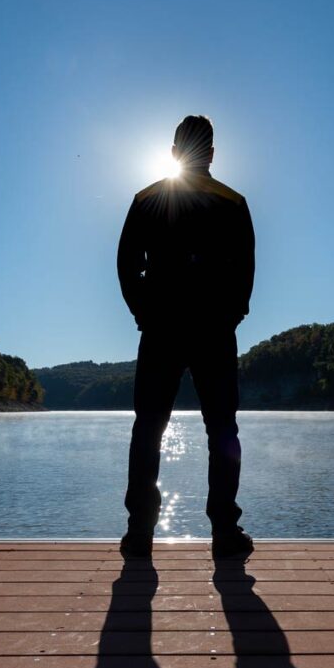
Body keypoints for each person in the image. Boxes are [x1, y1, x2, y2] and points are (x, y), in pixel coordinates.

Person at [117, 115, 256, 559]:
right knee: (222, 429)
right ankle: (225, 533)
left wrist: (144, 310)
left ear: (174, 151)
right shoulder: (233, 202)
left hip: (162, 328)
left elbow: (126, 265)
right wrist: (231, 315)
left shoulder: (147, 199)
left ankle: (140, 532)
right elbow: (245, 271)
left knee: (150, 428)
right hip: (212, 330)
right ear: (212, 154)